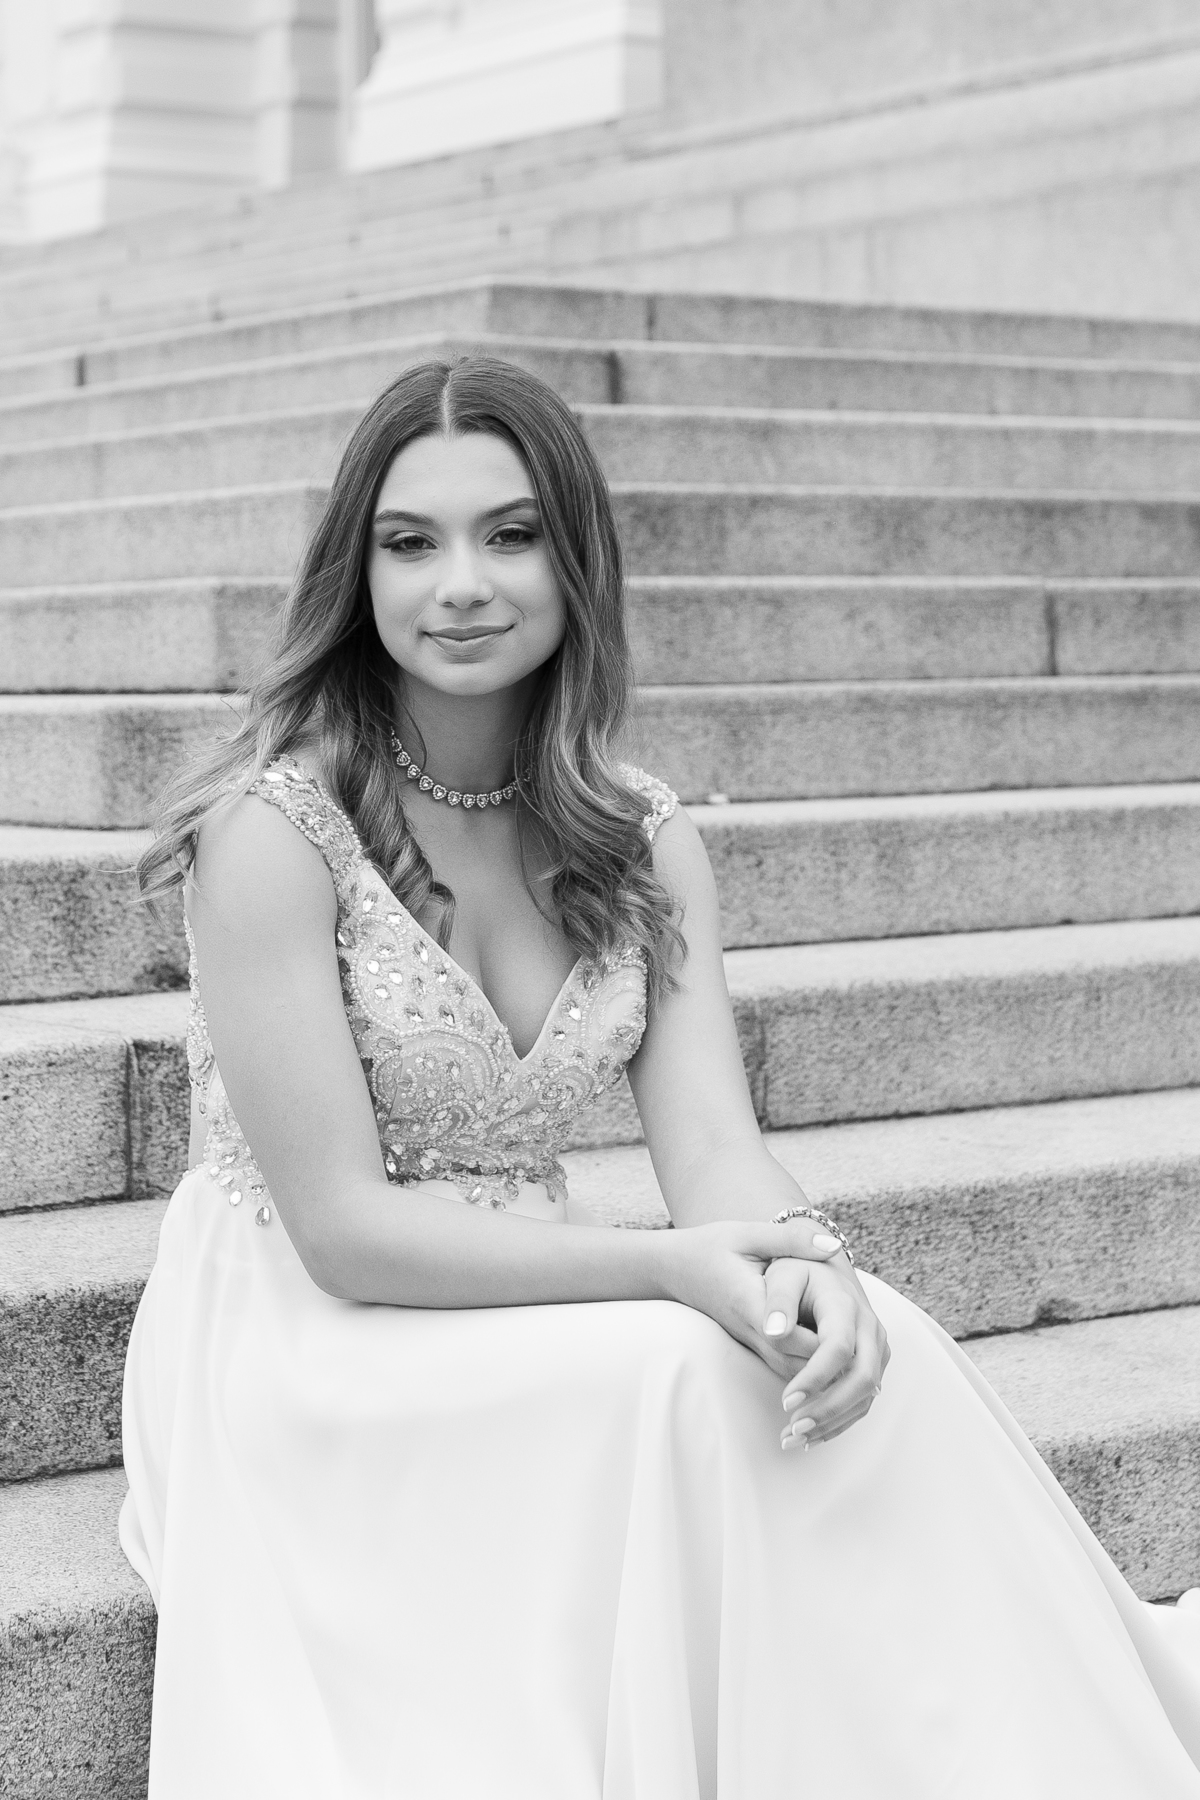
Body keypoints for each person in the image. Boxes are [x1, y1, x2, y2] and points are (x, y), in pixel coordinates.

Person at [123, 356, 1200, 1798]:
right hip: (306, 1334)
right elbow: (344, 1233)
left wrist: (807, 1262)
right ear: (356, 571)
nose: (461, 585)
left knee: (872, 1342)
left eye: (511, 536)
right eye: (411, 542)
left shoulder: (638, 836)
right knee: (690, 1372)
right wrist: (675, 1271)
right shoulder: (274, 832)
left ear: (575, 560)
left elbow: (712, 1146)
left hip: (521, 1286)